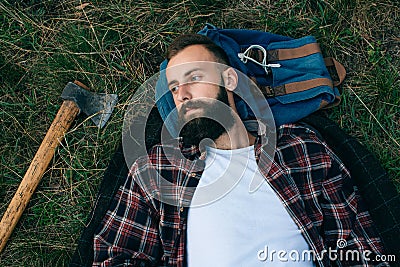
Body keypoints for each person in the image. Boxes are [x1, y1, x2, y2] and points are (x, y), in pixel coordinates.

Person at [93, 34, 389, 266]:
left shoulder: (300, 147)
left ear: (230, 80)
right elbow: (116, 255)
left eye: (194, 78)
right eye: (173, 88)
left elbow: (357, 243)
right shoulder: (159, 167)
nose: (182, 95)